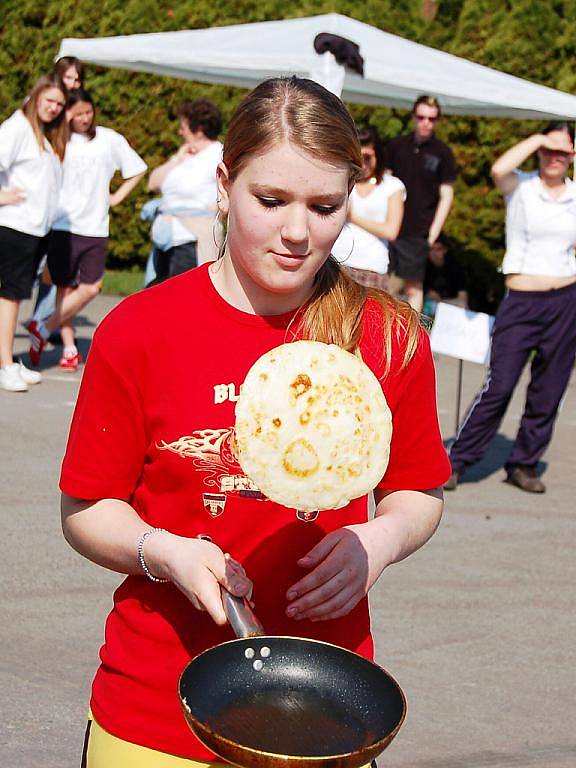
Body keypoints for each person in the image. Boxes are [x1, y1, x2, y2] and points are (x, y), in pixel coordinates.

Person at [59, 77, 450, 766]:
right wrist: (165, 552)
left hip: (322, 708)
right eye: (271, 200)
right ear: (223, 185)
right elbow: (87, 508)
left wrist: (381, 540)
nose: (298, 232)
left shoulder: (388, 337)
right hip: (155, 704)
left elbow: (418, 489)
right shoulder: (141, 329)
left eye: (325, 206)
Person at [445, 123, 576, 494]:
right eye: (549, 151)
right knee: (499, 385)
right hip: (521, 299)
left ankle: (524, 463)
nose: (554, 158)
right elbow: (498, 170)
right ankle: (456, 461)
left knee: (549, 390)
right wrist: (539, 138)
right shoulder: (521, 186)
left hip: (565, 298)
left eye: (562, 152)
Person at [28, 88, 147, 371]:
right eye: (77, 113)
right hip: (63, 225)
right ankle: (69, 348)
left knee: (91, 287)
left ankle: (42, 327)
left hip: (95, 226)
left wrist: (117, 196)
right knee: (64, 288)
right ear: (67, 113)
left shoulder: (108, 139)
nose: (84, 118)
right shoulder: (59, 140)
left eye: (88, 112)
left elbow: (137, 168)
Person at [0, 73, 67, 392]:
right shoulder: (17, 129)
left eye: (59, 104)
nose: (54, 107)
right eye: (50, 100)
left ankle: (8, 362)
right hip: (14, 226)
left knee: (14, 295)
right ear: (36, 95)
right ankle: (5, 364)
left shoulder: (42, 134)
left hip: (34, 230)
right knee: (9, 297)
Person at [384, 95, 457, 312]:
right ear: (414, 116)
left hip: (418, 231)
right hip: (389, 226)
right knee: (382, 283)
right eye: (422, 117)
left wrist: (434, 232)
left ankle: (410, 338)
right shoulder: (396, 146)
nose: (426, 122)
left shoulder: (443, 153)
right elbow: (384, 183)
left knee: (413, 288)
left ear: (437, 121)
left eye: (431, 119)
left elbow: (447, 194)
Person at [32, 57, 87, 332]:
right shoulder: (49, 111)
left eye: (77, 79)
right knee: (35, 270)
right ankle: (41, 321)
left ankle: (42, 321)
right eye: (68, 78)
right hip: (41, 205)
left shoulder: (76, 108)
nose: (73, 84)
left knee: (53, 272)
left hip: (65, 207)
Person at [147, 99, 223, 284]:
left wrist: (219, 207)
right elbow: (152, 183)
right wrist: (178, 159)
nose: (180, 132)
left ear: (198, 130)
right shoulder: (184, 155)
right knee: (160, 295)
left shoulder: (218, 154)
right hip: (167, 238)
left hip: (193, 239)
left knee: (184, 296)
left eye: (184, 127)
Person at [331, 125, 404, 290]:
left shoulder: (392, 186)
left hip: (372, 268)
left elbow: (391, 230)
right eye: (358, 156)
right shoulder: (343, 180)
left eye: (367, 157)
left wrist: (353, 217)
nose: (363, 164)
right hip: (337, 262)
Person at [423, 238, 468, 317]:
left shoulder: (456, 269)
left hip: (449, 304)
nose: (434, 253)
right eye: (431, 249)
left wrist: (443, 302)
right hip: (428, 304)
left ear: (444, 250)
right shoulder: (422, 267)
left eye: (438, 249)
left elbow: (463, 297)